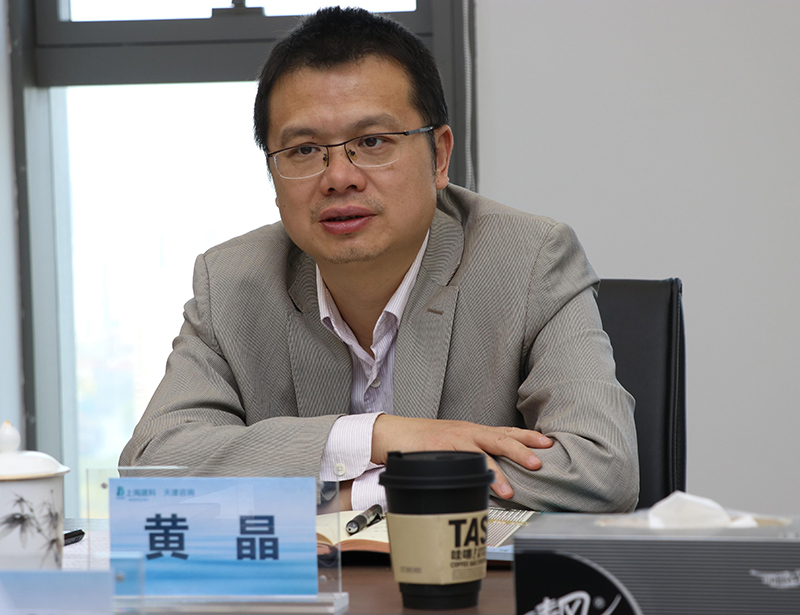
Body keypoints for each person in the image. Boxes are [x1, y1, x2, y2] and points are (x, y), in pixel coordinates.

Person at [119, 7, 638, 513]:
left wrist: (359, 493)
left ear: (439, 156)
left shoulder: (529, 261)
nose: (339, 177)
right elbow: (152, 467)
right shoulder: (232, 282)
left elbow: (601, 469)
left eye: (372, 141)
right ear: (272, 177)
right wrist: (374, 436)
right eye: (304, 150)